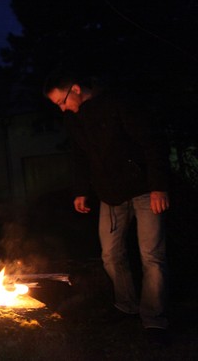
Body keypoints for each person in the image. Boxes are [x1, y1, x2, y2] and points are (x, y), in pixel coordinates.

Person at [43, 69, 171, 346]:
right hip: (110, 195)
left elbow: (152, 142)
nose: (62, 108)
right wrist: (81, 190)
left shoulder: (118, 103)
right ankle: (127, 305)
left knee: (152, 255)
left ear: (76, 89)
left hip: (144, 191)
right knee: (111, 255)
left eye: (62, 101)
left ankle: (154, 319)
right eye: (58, 105)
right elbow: (79, 156)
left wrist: (159, 186)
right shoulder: (74, 119)